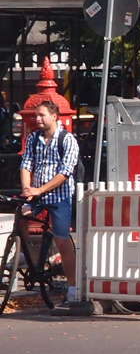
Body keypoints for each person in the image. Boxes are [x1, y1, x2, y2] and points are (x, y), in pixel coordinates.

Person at [19, 99, 79, 302]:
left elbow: (64, 172)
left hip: (58, 196)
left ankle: (72, 288)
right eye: (36, 115)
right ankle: (20, 255)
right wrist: (27, 189)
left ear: (54, 116)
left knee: (62, 241)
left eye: (41, 115)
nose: (37, 119)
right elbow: (26, 163)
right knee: (21, 217)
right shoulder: (34, 138)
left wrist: (40, 189)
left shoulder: (67, 139)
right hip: (35, 194)